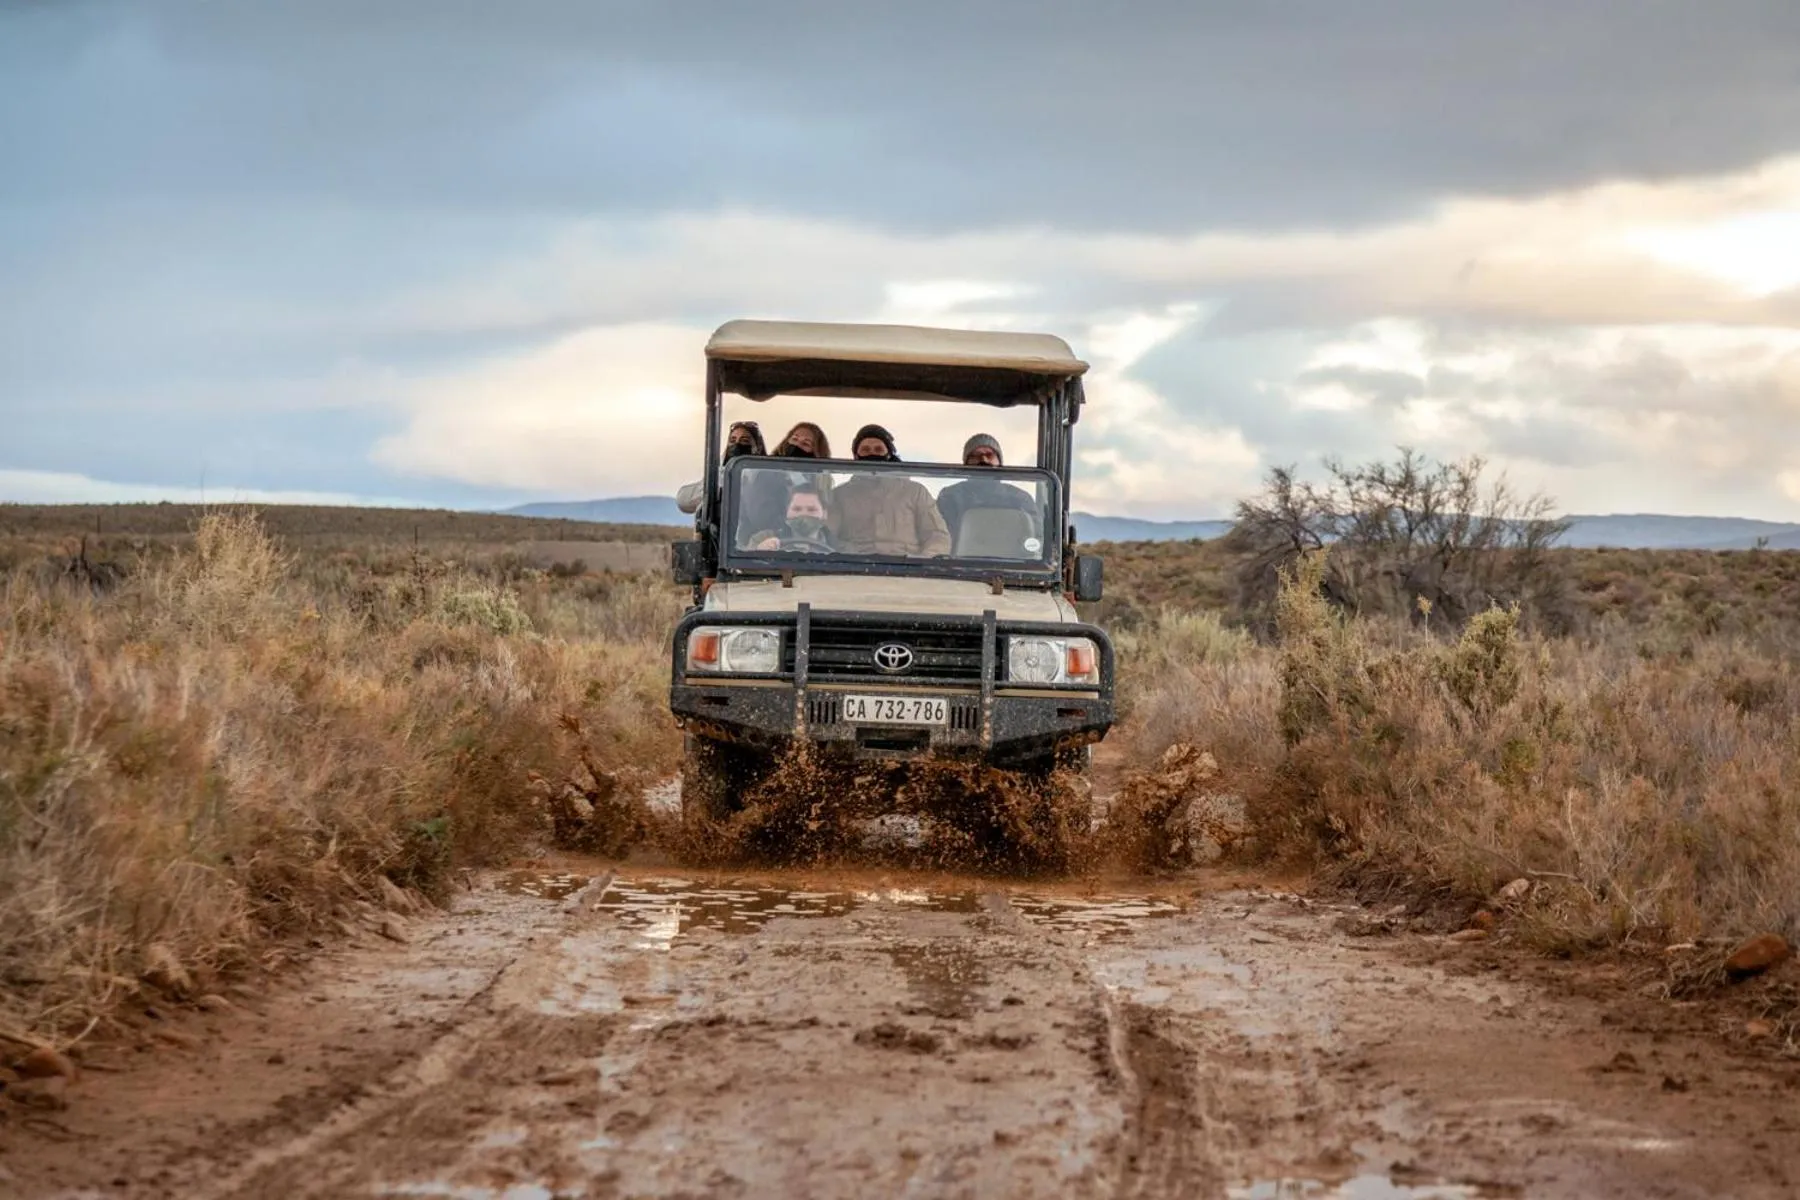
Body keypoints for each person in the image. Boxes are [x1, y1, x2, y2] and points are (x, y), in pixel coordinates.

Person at [827, 424, 951, 556]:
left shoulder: (915, 492)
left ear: (889, 454)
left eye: (878, 449)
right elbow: (828, 537)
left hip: (906, 569)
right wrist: (848, 555)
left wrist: (922, 563)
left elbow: (937, 536)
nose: (872, 453)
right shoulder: (840, 495)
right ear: (856, 456)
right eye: (865, 450)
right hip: (855, 569)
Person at [936, 433, 1042, 555]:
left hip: (1013, 568)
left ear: (999, 462)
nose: (983, 460)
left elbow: (1037, 538)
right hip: (962, 567)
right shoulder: (950, 496)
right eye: (975, 456)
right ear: (966, 464)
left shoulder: (1020, 499)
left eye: (989, 455)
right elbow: (941, 537)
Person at [676, 421, 764, 515]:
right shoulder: (720, 474)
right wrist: (721, 477)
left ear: (757, 447)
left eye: (744, 440)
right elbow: (683, 501)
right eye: (732, 440)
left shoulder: (766, 476)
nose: (737, 444)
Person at [743, 483, 835, 553]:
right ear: (787, 512)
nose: (803, 514)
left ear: (824, 514)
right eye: (797, 509)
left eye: (811, 509)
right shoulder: (761, 539)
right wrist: (759, 551)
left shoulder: (841, 548)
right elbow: (744, 567)